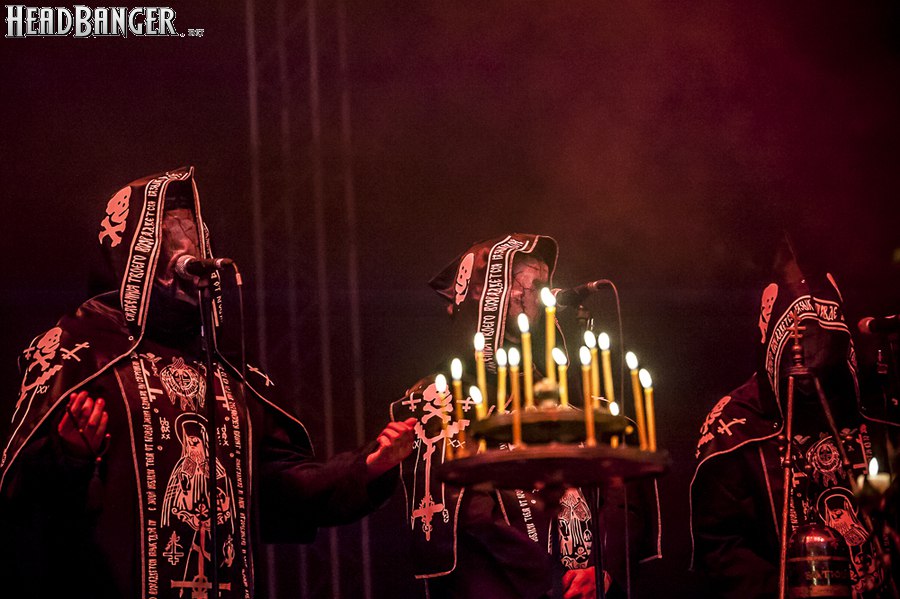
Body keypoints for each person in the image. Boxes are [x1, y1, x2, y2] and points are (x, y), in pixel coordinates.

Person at [0, 167, 416, 598]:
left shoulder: (227, 367)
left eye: (194, 235)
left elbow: (281, 487)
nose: (188, 249)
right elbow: (20, 501)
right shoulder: (81, 350)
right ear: (135, 252)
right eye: (170, 236)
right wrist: (68, 455)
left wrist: (366, 468)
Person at [389, 233, 661, 599]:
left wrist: (604, 568)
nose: (540, 296)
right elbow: (470, 516)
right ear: (493, 298)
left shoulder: (562, 383)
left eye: (542, 284)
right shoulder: (439, 398)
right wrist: (547, 580)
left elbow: (620, 487)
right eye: (529, 286)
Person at [690, 238, 892, 598]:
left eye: (823, 344)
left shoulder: (877, 408)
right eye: (802, 343)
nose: (811, 356)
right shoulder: (734, 426)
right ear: (774, 345)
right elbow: (722, 548)